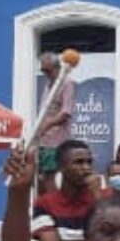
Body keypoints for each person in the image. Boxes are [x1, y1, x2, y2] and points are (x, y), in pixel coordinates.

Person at [32, 139, 96, 241]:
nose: (86, 168)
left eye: (89, 162)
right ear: (61, 166)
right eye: (79, 162)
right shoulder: (45, 203)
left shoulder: (100, 201)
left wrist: (97, 197)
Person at [34, 51, 77, 194]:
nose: (45, 74)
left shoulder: (67, 83)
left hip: (56, 141)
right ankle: (42, 208)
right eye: (42, 70)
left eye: (47, 70)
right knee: (40, 177)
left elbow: (66, 113)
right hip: (44, 140)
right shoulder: (48, 85)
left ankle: (53, 209)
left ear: (57, 67)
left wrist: (47, 125)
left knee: (49, 176)